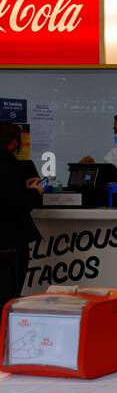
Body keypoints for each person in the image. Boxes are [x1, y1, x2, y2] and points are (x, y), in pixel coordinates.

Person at [0, 121, 42, 308]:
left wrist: (21, 188)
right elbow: (16, 204)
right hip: (9, 242)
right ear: (13, 142)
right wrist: (34, 192)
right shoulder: (9, 164)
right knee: (9, 297)